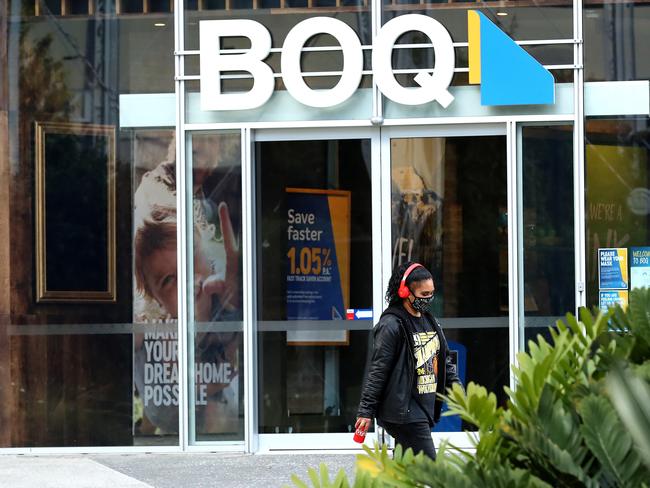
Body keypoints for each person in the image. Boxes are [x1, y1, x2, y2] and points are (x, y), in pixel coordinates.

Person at [355, 261, 462, 460]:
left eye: (431, 293)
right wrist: (366, 411)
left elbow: (445, 361)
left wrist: (460, 394)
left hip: (423, 406)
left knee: (404, 469)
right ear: (405, 292)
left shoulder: (430, 321)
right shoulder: (391, 324)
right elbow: (378, 370)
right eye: (423, 294)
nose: (429, 299)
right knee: (432, 470)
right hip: (404, 411)